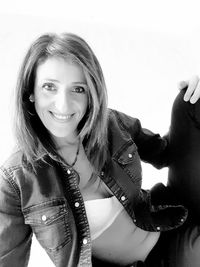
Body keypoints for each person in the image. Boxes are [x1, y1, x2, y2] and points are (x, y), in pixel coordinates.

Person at [0, 32, 200, 267]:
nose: (63, 104)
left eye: (78, 89)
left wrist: (194, 95)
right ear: (30, 92)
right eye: (49, 87)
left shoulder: (111, 125)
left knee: (189, 102)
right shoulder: (16, 179)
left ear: (91, 94)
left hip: (170, 229)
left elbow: (167, 153)